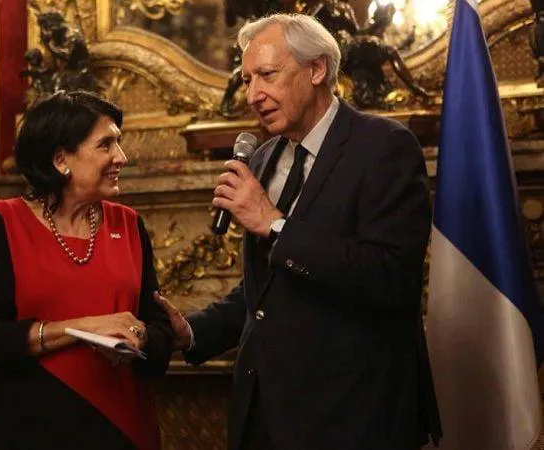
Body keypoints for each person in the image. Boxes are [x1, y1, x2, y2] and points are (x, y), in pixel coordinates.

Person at [155, 13, 442, 450]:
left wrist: (274, 224)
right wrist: (192, 333)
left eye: (267, 75)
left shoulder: (384, 147)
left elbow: (390, 279)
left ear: (317, 69)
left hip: (355, 419)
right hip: (265, 418)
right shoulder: (263, 156)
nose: (253, 94)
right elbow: (268, 292)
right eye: (247, 79)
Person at [0, 90, 173, 450]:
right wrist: (82, 329)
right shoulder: (1, 222)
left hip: (123, 432)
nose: (121, 157)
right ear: (61, 159)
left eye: (118, 143)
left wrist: (141, 335)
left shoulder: (129, 224)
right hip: (27, 431)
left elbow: (160, 331)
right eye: (105, 145)